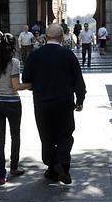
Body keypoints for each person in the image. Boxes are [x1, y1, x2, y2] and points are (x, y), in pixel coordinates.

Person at [22, 24, 86, 184]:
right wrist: (80, 100)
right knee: (65, 135)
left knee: (47, 136)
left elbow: (26, 78)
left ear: (45, 37)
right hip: (64, 102)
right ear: (62, 37)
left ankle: (52, 168)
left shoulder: (35, 55)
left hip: (42, 102)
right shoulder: (68, 54)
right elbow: (78, 80)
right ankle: (61, 164)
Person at [0, 34, 30, 184]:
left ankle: (2, 175)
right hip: (12, 104)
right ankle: (14, 167)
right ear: (13, 47)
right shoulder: (14, 62)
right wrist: (31, 84)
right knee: (15, 136)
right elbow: (16, 86)